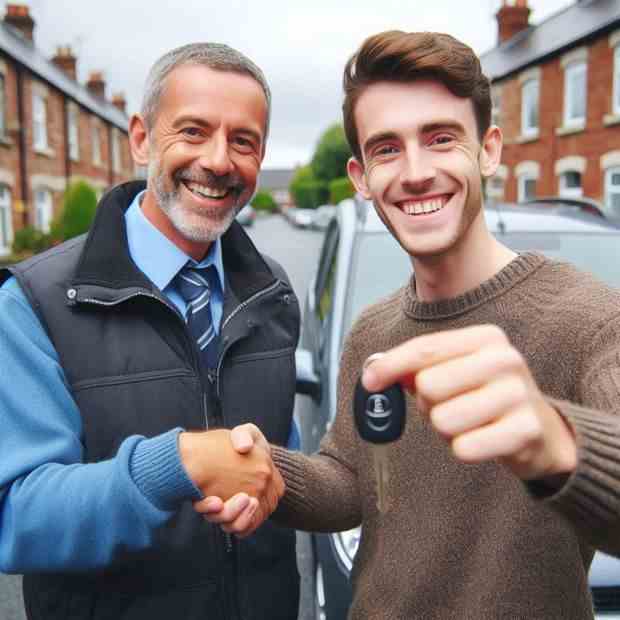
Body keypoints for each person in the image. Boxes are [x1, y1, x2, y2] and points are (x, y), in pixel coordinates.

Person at [201, 31, 620, 619]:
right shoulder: (373, 331)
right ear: (361, 176)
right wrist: (272, 472)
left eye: (441, 138)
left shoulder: (594, 319)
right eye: (387, 149)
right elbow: (354, 484)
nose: (416, 172)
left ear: (489, 149)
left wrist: (556, 441)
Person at [0, 43, 300, 620]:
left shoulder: (275, 294)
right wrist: (174, 465)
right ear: (140, 138)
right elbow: (15, 515)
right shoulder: (33, 303)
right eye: (192, 131)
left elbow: (278, 465)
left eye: (244, 141)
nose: (218, 160)